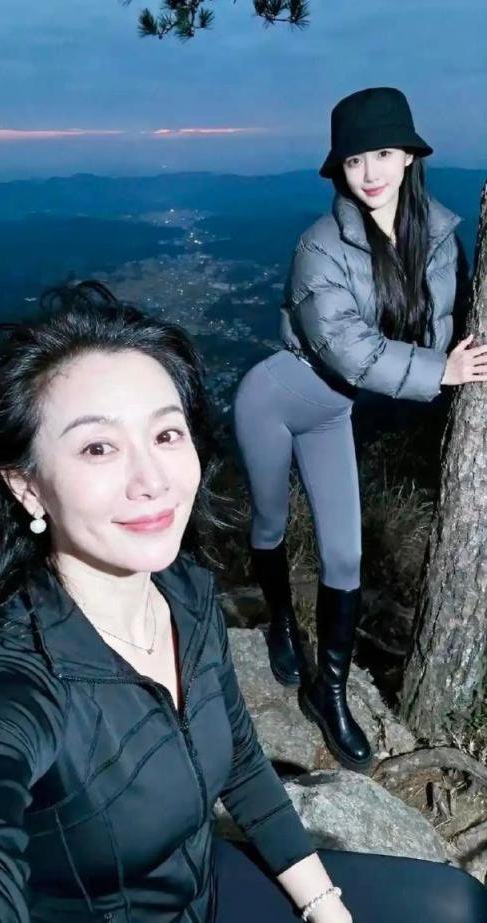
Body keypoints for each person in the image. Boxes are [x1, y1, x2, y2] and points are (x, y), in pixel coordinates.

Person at [0, 281, 485, 923]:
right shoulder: (7, 683)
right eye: (97, 448)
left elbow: (243, 763)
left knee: (455, 905)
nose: (152, 479)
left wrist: (323, 904)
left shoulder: (186, 590)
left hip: (209, 891)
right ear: (27, 487)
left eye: (166, 435)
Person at [233, 87, 485, 772]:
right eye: (353, 160)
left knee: (344, 557)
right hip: (274, 398)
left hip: (334, 415)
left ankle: (331, 694)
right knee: (269, 522)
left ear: (408, 157)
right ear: (339, 170)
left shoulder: (439, 238)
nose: (369, 172)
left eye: (381, 154)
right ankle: (280, 623)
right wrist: (441, 371)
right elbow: (346, 349)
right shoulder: (318, 246)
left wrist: (446, 361)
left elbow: (447, 324)